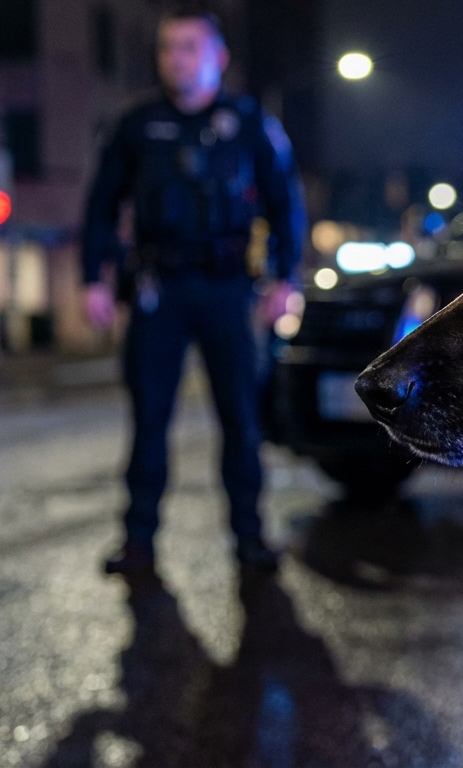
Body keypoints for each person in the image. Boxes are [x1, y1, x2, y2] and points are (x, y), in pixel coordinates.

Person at [81, 8, 306, 575]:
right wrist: (93, 279)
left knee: (241, 418)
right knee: (149, 418)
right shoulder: (136, 124)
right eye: (167, 48)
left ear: (217, 57)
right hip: (160, 288)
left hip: (228, 287)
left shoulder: (248, 121)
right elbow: (101, 206)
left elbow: (285, 204)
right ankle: (138, 541)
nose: (176, 58)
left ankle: (250, 538)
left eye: (188, 47)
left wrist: (286, 277)